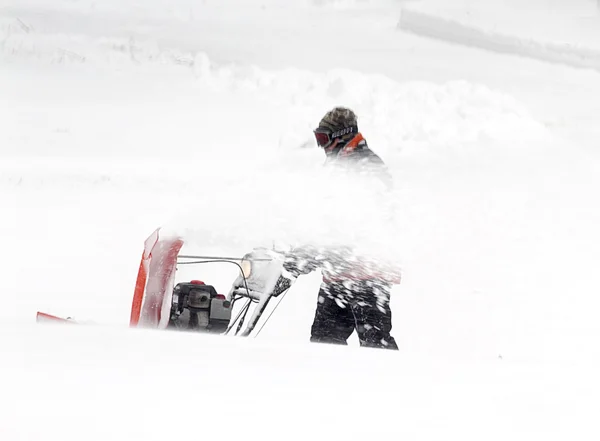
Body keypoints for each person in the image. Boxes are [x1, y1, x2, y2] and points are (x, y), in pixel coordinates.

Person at [279, 107, 400, 350]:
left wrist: (319, 252)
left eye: (324, 139)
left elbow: (365, 222)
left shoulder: (367, 166)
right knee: (324, 343)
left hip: (368, 275)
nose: (321, 147)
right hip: (337, 276)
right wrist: (303, 249)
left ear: (341, 135)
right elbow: (326, 219)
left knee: (376, 345)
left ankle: (391, 384)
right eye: (318, 139)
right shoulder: (337, 167)